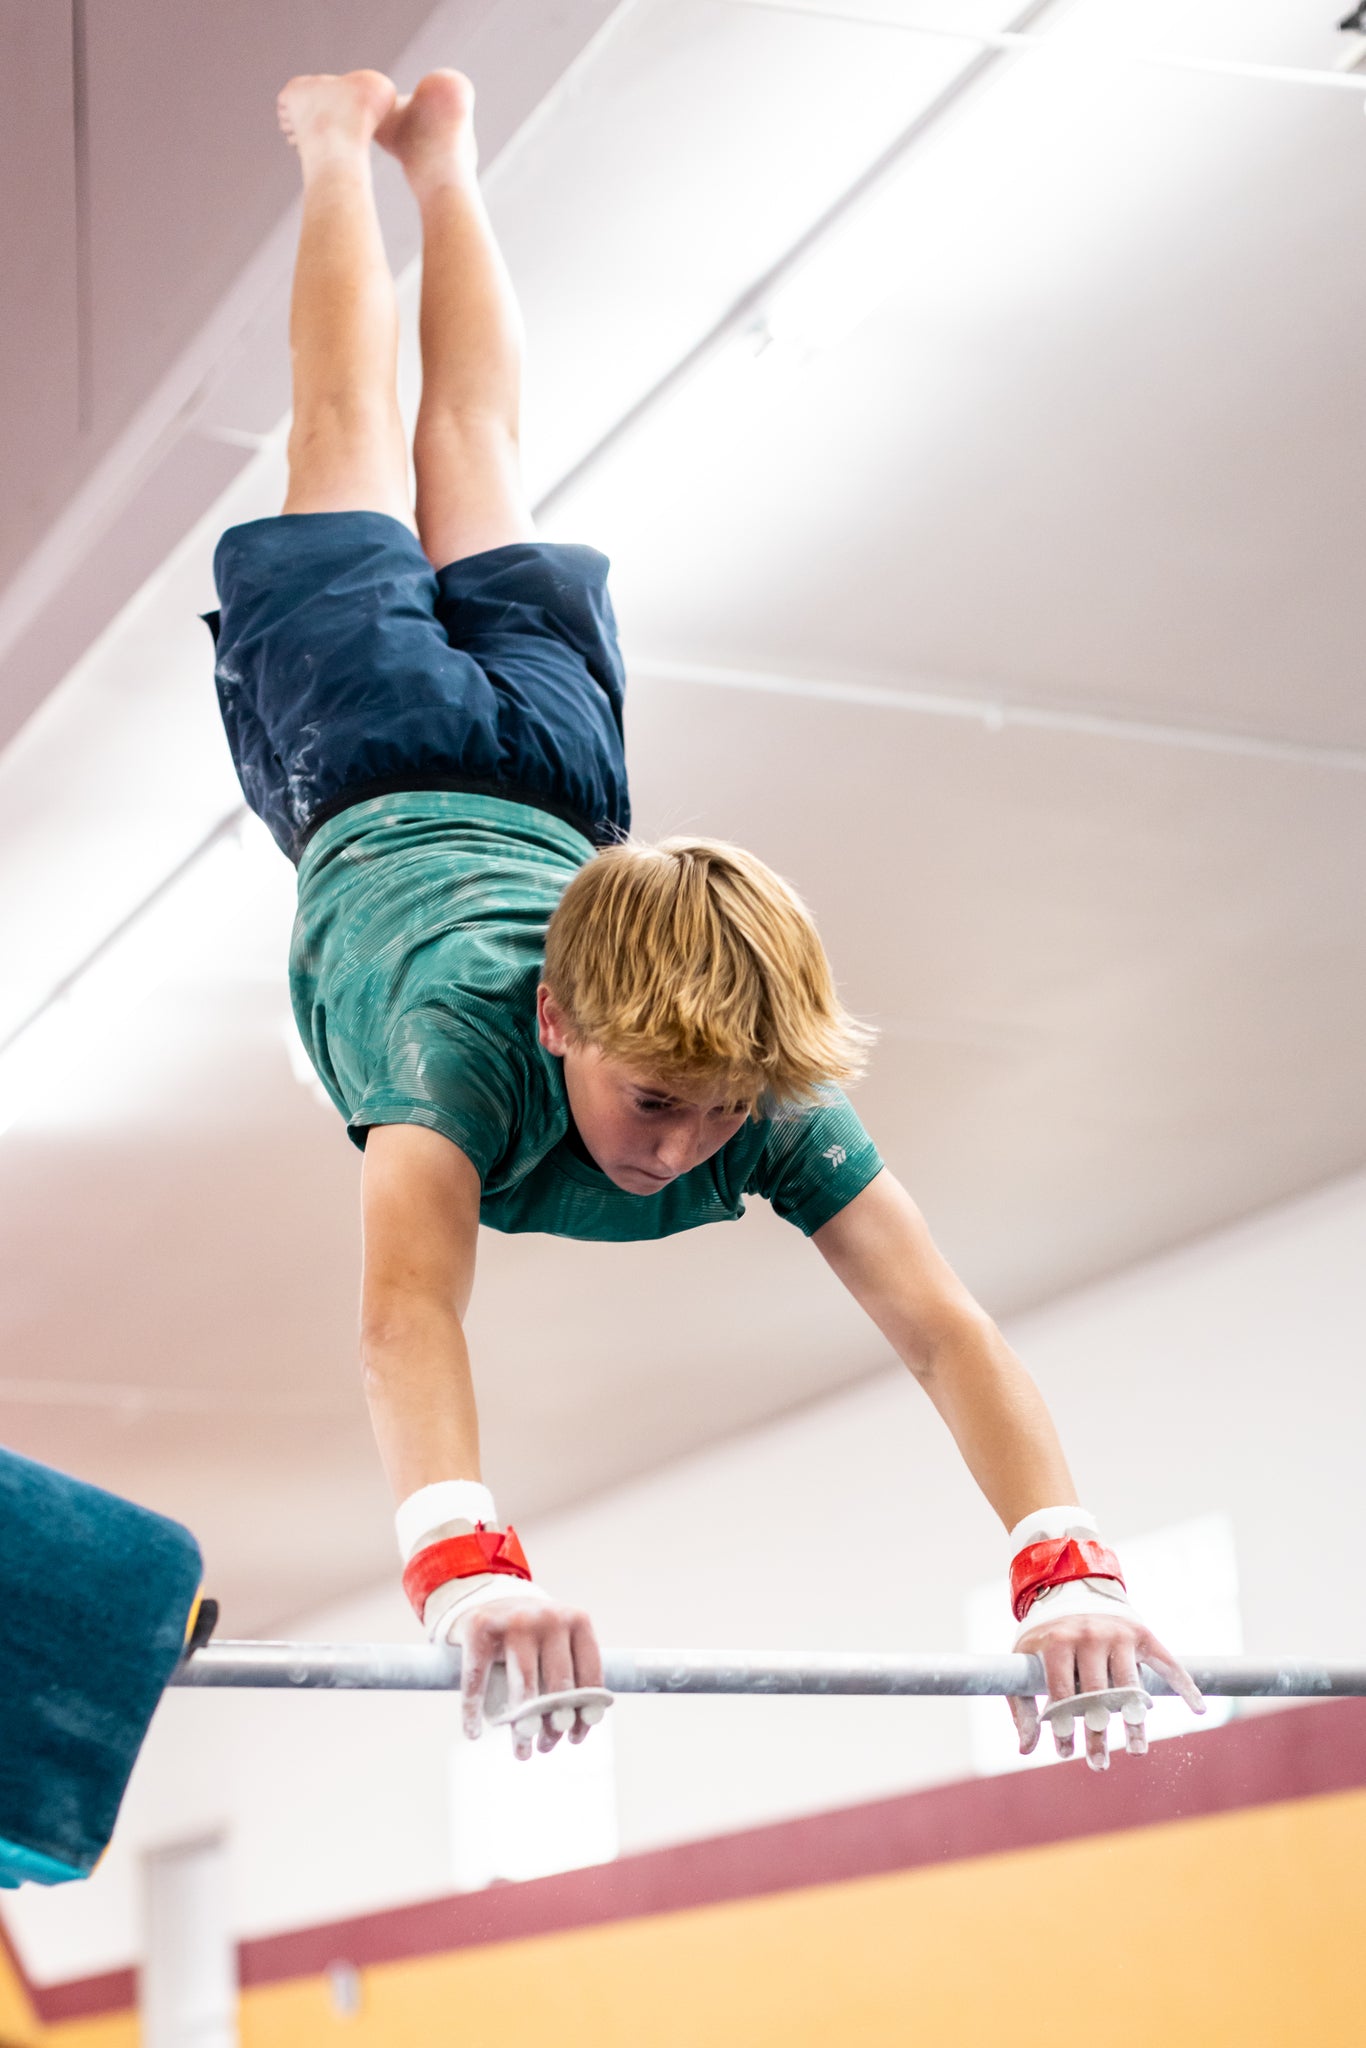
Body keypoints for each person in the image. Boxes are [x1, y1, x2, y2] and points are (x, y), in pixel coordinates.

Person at [207, 67, 1203, 1769]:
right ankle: (340, 148)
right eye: (657, 1101)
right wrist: (462, 1564)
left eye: (722, 1112)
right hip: (414, 761)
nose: (686, 1146)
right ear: (554, 1023)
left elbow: (941, 1326)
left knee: (454, 450)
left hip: (507, 776)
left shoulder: (756, 1094)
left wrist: (1061, 1571)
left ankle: (434, 160)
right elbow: (405, 1314)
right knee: (371, 440)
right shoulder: (458, 1046)